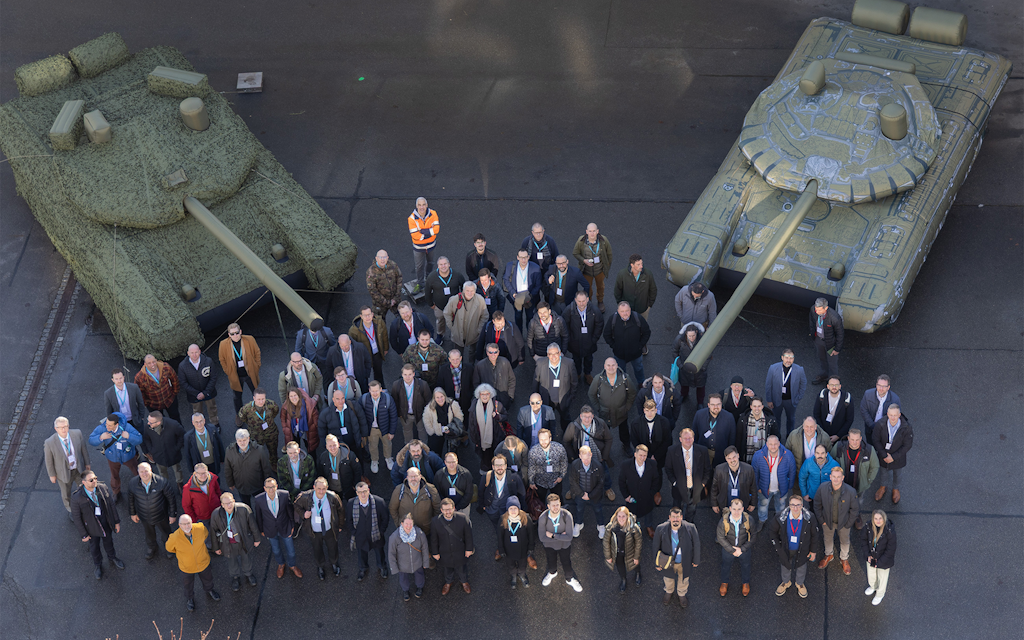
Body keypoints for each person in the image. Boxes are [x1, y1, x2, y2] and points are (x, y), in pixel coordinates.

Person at [72, 471, 124, 579]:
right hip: (91, 528)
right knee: (94, 547)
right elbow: (77, 518)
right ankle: (98, 565)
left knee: (109, 541)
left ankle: (112, 557)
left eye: (95, 478)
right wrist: (84, 534)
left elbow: (111, 505)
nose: (94, 481)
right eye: (91, 480)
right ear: (84, 482)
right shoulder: (77, 497)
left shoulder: (102, 487)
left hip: (105, 522)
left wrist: (116, 522)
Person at [166, 514, 220, 611]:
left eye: (188, 523)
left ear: (192, 522)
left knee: (208, 579)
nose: (186, 526)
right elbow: (169, 548)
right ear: (179, 525)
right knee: (188, 584)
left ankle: (210, 590)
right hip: (187, 567)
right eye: (183, 524)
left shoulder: (200, 528)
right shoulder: (174, 537)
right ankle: (190, 598)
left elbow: (206, 534)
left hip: (203, 562)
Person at [295, 477, 345, 580]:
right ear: (314, 487)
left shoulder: (333, 497)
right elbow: (296, 505)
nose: (321, 491)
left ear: (327, 488)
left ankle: (334, 563)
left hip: (329, 529)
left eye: (324, 488)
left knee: (333, 547)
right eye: (319, 488)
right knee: (317, 549)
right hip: (314, 530)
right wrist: (303, 514)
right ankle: (320, 566)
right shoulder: (305, 497)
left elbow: (341, 511)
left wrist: (340, 525)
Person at [769, 494, 818, 598]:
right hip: (786, 548)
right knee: (785, 564)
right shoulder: (780, 517)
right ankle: (786, 582)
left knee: (801, 566)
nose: (795, 508)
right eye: (793, 505)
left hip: (803, 548)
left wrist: (813, 551)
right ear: (789, 505)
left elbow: (814, 535)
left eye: (798, 505)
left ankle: (799, 583)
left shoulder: (810, 517)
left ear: (802, 505)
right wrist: (778, 548)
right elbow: (772, 532)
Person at [209, 492, 260, 591]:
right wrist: (216, 548)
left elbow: (252, 525)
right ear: (222, 505)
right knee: (232, 562)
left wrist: (257, 538)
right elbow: (213, 532)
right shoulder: (216, 514)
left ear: (234, 501)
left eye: (231, 502)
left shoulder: (244, 509)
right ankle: (235, 577)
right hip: (228, 544)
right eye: (226, 503)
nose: (229, 505)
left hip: (243, 541)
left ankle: (248, 574)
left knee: (246, 558)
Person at [253, 477, 303, 579]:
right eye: (268, 487)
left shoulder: (284, 495)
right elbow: (258, 516)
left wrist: (292, 525)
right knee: (276, 550)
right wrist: (261, 530)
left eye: (273, 487)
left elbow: (290, 510)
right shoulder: (259, 499)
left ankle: (292, 565)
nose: (271, 490)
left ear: (276, 486)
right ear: (264, 488)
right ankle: (281, 564)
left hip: (285, 527)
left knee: (291, 551)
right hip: (270, 529)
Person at [127, 462, 177, 560]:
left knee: (166, 533)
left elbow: (171, 499)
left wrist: (172, 514)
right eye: (141, 472)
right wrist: (132, 513)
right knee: (149, 534)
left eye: (146, 471)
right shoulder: (132, 483)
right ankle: (152, 547)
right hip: (144, 516)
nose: (144, 474)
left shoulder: (162, 482)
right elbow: (130, 499)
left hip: (161, 515)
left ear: (151, 470)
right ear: (138, 472)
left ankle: (169, 548)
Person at [814, 466, 859, 575]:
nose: (836, 479)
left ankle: (844, 558)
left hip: (844, 523)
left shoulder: (851, 491)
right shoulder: (822, 488)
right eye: (834, 476)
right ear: (830, 476)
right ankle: (829, 554)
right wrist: (821, 520)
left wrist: (848, 524)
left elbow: (855, 510)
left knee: (845, 541)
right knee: (827, 538)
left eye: (838, 477)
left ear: (842, 478)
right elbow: (817, 504)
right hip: (827, 521)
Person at [832, 428, 879, 528]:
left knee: (858, 501)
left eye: (857, 440)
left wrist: (868, 480)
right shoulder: (839, 447)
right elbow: (831, 462)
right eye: (852, 439)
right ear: (848, 438)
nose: (855, 442)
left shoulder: (869, 450)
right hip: (842, 484)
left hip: (859, 486)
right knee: (841, 500)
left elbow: (875, 466)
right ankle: (843, 515)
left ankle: (856, 514)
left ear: (861, 438)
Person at [88, 412, 142, 502]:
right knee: (114, 476)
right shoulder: (103, 428)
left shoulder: (127, 427)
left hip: (128, 456)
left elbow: (139, 439)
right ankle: (116, 492)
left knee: (137, 471)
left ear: (116, 424)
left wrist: (129, 436)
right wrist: (101, 437)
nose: (107, 427)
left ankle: (142, 486)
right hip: (112, 458)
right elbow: (91, 439)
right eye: (106, 424)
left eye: (109, 425)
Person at [652, 507, 700, 607]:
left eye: (677, 517)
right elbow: (655, 546)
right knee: (668, 578)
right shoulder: (661, 529)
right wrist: (657, 563)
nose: (675, 519)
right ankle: (669, 591)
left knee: (683, 579)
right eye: (673, 517)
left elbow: (696, 544)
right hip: (668, 561)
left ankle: (682, 593)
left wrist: (696, 560)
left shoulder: (691, 528)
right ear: (669, 517)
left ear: (681, 517)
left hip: (684, 561)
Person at [45, 416, 90, 517]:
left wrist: (87, 463)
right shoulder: (49, 442)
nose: (64, 429)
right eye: (61, 427)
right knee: (66, 494)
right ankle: (71, 511)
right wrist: (52, 475)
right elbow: (49, 461)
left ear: (68, 426)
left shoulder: (77, 433)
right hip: (63, 472)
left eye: (65, 426)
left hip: (78, 469)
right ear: (56, 428)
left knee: (83, 488)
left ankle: (85, 506)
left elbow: (84, 449)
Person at [589, 357, 637, 449]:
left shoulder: (625, 378)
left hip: (621, 413)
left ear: (617, 365)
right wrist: (598, 408)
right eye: (608, 365)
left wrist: (627, 407)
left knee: (624, 432)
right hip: (604, 414)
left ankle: (626, 446)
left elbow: (632, 393)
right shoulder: (598, 379)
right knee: (603, 434)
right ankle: (603, 449)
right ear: (604, 366)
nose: (611, 368)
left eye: (613, 365)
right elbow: (591, 394)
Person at [751, 435, 797, 532]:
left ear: (779, 443)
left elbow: (792, 472)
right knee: (763, 506)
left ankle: (779, 521)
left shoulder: (787, 455)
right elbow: (754, 473)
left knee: (781, 506)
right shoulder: (758, 456)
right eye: (770, 444)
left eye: (775, 444)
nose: (773, 446)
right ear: (766, 444)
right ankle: (762, 520)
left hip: (781, 489)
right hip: (764, 488)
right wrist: (757, 487)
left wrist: (789, 486)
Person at [664, 428, 711, 521]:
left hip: (695, 486)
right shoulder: (672, 451)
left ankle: (689, 525)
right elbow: (668, 468)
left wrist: (703, 483)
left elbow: (707, 469)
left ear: (693, 438)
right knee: (677, 508)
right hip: (679, 486)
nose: (688, 440)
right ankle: (677, 524)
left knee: (692, 509)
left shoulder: (702, 450)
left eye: (690, 438)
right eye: (685, 438)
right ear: (680, 439)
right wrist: (674, 482)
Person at [218, 323, 261, 425]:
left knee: (256, 393)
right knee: (237, 397)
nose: (235, 335)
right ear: (229, 334)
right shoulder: (223, 344)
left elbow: (257, 352)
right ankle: (239, 415)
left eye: (237, 333)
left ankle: (260, 412)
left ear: (240, 331)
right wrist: (228, 371)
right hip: (236, 376)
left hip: (250, 374)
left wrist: (257, 366)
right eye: (232, 334)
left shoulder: (249, 339)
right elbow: (222, 359)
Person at [538, 493, 582, 592]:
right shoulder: (543, 517)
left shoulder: (567, 515)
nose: (555, 507)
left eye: (557, 504)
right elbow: (542, 538)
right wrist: (562, 536)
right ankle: (552, 573)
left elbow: (569, 537)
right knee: (551, 561)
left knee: (566, 562)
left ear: (560, 504)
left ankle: (569, 579)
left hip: (564, 546)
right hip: (549, 546)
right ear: (548, 506)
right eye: (553, 505)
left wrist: (553, 535)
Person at [431, 498, 475, 594]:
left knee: (462, 568)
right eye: (445, 510)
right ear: (441, 510)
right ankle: (448, 582)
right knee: (447, 569)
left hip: (460, 550)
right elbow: (434, 539)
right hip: (444, 552)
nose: (448, 512)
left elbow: (468, 536)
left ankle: (464, 581)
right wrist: (435, 552)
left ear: (454, 508)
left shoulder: (463, 518)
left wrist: (469, 549)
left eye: (450, 509)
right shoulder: (435, 521)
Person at [872, 404, 913, 504]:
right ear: (887, 414)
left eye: (895, 415)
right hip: (883, 456)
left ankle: (896, 489)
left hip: (898, 457)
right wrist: (884, 455)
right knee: (883, 472)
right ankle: (883, 486)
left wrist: (893, 457)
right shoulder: (880, 424)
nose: (893, 418)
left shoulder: (906, 427)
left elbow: (907, 445)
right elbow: (875, 440)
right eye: (891, 415)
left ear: (899, 414)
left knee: (897, 474)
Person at [349, 482, 389, 581]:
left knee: (379, 552)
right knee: (361, 554)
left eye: (365, 491)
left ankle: (382, 567)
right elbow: (349, 520)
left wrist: (381, 531)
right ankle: (363, 568)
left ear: (369, 491)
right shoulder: (351, 503)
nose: (363, 494)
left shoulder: (379, 502)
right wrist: (354, 532)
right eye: (360, 492)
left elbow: (385, 518)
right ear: (356, 493)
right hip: (360, 536)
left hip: (376, 535)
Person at [222, 429, 273, 507]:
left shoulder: (259, 450)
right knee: (246, 507)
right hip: (242, 486)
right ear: (236, 440)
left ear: (249, 438)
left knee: (261, 505)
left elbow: (266, 468)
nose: (242, 443)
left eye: (244, 440)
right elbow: (228, 469)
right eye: (240, 441)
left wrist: (267, 484)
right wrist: (230, 483)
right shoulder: (230, 451)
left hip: (257, 485)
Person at [716, 498, 755, 597]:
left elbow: (753, 535)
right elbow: (720, 538)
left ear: (742, 509)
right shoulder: (723, 521)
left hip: (744, 548)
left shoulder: (749, 520)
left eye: (739, 509)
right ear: (730, 509)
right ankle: (724, 582)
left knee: (746, 566)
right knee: (726, 566)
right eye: (734, 509)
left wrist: (742, 549)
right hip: (728, 549)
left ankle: (745, 582)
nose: (736, 512)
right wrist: (732, 550)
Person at [764, 349, 807, 440]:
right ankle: (777, 436)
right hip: (776, 400)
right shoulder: (773, 368)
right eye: (786, 357)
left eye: (791, 358)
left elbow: (803, 384)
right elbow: (768, 385)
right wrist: (769, 400)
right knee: (776, 419)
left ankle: (789, 437)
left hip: (791, 401)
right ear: (782, 357)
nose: (788, 360)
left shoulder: (799, 369)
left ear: (794, 359)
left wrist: (798, 397)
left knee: (791, 419)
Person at [561, 291, 603, 385]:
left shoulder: (595, 311)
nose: (581, 304)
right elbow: (564, 325)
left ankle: (587, 374)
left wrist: (594, 339)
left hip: (589, 342)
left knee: (589, 359)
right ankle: (578, 373)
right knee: (576, 359)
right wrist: (570, 339)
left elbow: (599, 325)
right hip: (575, 342)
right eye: (579, 301)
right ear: (575, 300)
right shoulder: (569, 311)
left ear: (587, 299)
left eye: (583, 301)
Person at [619, 444, 660, 539]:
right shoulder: (626, 465)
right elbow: (621, 481)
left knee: (648, 511)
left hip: (647, 495)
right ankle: (632, 527)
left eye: (645, 455)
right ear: (635, 454)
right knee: (632, 512)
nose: (642, 458)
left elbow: (656, 480)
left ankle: (648, 526)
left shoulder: (652, 464)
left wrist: (652, 493)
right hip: (632, 495)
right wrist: (626, 496)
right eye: (640, 455)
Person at [604, 301, 651, 382]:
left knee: (639, 368)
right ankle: (623, 384)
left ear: (630, 309)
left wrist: (640, 346)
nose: (625, 313)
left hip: (636, 353)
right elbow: (606, 335)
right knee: (621, 371)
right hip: (620, 354)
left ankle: (641, 383)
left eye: (627, 311)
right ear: (618, 311)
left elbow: (647, 332)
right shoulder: (613, 319)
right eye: (622, 311)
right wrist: (614, 346)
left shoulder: (637, 318)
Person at [388, 513, 431, 601]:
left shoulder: (419, 534)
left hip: (417, 562)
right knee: (403, 578)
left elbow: (425, 549)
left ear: (413, 524)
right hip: (402, 564)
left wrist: (426, 563)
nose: (408, 526)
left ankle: (419, 587)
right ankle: (405, 590)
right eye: (406, 524)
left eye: (410, 524)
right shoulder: (394, 537)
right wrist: (394, 568)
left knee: (419, 575)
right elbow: (391, 553)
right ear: (402, 524)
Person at [534, 343, 577, 428]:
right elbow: (535, 382)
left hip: (563, 400)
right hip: (547, 400)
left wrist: (570, 398)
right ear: (547, 355)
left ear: (560, 353)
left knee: (566, 420)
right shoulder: (540, 363)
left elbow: (574, 382)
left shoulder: (569, 363)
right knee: (547, 421)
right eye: (550, 354)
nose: (553, 356)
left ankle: (567, 437)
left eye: (556, 353)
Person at [359, 380, 399, 474]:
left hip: (385, 428)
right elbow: (360, 416)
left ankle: (388, 458)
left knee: (387, 444)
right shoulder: (364, 399)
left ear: (381, 389)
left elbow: (393, 416)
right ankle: (374, 460)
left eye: (377, 390)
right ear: (369, 390)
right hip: (371, 429)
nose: (375, 393)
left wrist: (392, 432)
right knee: (372, 446)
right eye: (372, 391)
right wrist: (364, 431)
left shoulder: (388, 399)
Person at [444, 281, 488, 363]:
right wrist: (452, 327)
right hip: (458, 333)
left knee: (472, 351)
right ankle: (459, 367)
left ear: (475, 291)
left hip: (473, 333)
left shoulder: (480, 300)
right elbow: (446, 313)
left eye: (472, 291)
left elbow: (485, 316)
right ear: (463, 290)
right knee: (458, 352)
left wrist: (479, 329)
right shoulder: (454, 299)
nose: (470, 293)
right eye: (467, 290)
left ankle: (471, 366)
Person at [572, 222, 612, 312]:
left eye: (594, 231)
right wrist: (583, 260)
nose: (592, 233)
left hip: (600, 270)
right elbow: (575, 253)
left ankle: (600, 301)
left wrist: (607, 268)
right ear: (586, 231)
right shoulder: (581, 241)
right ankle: (588, 302)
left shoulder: (604, 240)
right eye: (590, 231)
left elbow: (609, 254)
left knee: (601, 287)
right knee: (588, 288)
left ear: (597, 231)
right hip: (586, 271)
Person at [389, 467, 441, 536]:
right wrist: (399, 523)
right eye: (411, 476)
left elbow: (437, 508)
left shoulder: (430, 489)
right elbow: (392, 509)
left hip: (426, 530)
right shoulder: (399, 490)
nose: (413, 479)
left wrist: (432, 524)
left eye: (415, 476)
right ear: (407, 477)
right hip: (406, 531)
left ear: (420, 476)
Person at [468, 384, 508, 472]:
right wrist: (475, 440)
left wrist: (498, 416)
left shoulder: (497, 405)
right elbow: (471, 425)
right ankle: (486, 475)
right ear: (479, 395)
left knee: (495, 454)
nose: (485, 396)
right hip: (480, 438)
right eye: (483, 394)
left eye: (487, 394)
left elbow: (505, 416)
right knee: (484, 456)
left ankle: (496, 471)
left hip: (495, 437)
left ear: (491, 394)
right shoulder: (474, 406)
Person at [568, 446, 606, 539]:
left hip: (594, 495)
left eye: (588, 458)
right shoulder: (575, 465)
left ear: (591, 455)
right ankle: (579, 523)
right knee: (579, 509)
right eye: (584, 458)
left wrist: (591, 495)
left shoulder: (598, 466)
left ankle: (601, 525)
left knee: (598, 509)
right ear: (580, 456)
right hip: (580, 494)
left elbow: (601, 483)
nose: (586, 461)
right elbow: (572, 481)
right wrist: (582, 494)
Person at [630, 398, 672, 481]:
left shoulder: (664, 422)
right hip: (643, 454)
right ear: (644, 410)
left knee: (658, 473)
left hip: (659, 455)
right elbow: (635, 440)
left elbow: (667, 441)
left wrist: (656, 456)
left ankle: (657, 491)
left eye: (652, 410)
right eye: (647, 410)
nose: (650, 413)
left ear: (656, 410)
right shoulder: (636, 423)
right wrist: (647, 455)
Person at [178, 344, 220, 427]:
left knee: (212, 409)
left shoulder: (208, 361)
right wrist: (196, 393)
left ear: (200, 352)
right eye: (192, 352)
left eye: (196, 352)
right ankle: (201, 427)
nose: (194, 355)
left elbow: (213, 377)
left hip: (209, 392)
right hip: (194, 396)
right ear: (188, 353)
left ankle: (215, 424)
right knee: (197, 412)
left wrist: (205, 393)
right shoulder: (182, 366)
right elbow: (183, 382)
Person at [425, 256, 465, 343]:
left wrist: (462, 301)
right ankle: (440, 335)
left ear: (449, 264)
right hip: (439, 306)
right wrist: (431, 304)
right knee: (440, 321)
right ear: (438, 266)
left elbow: (464, 288)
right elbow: (427, 292)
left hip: (455, 306)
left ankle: (455, 335)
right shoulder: (432, 277)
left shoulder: (457, 275)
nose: (443, 266)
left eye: (445, 264)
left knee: (455, 321)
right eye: (441, 264)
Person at [499, 497, 537, 588]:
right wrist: (501, 549)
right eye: (510, 508)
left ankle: (522, 575)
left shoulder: (526, 518)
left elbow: (531, 534)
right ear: (507, 509)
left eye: (515, 508)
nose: (513, 511)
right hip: (508, 549)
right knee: (510, 565)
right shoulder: (503, 519)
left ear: (519, 509)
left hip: (522, 549)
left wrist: (531, 547)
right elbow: (499, 536)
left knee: (522, 565)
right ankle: (513, 576)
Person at [603, 506, 643, 593]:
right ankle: (623, 580)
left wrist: (636, 557)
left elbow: (638, 543)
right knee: (620, 568)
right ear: (616, 516)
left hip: (630, 552)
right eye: (619, 516)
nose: (621, 519)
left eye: (623, 516)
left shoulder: (634, 528)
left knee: (635, 565)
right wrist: (608, 556)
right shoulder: (610, 527)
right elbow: (606, 542)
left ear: (627, 517)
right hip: (617, 554)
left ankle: (638, 573)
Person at [502, 249, 542, 333]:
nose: (523, 260)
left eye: (525, 257)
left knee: (530, 317)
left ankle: (530, 336)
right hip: (516, 297)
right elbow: (506, 280)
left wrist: (530, 295)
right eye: (521, 257)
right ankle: (519, 335)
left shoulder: (535, 268)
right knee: (518, 316)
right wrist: (512, 292)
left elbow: (538, 285)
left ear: (528, 257)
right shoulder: (510, 266)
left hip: (529, 297)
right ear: (517, 257)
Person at [236, 390, 278, 471]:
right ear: (254, 398)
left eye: (263, 399)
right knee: (256, 451)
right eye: (258, 399)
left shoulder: (271, 404)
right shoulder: (246, 409)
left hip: (271, 432)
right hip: (256, 435)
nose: (261, 401)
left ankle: (274, 463)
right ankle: (260, 465)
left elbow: (275, 412)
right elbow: (242, 418)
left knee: (273, 449)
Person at [391, 364, 432, 446]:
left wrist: (425, 414)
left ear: (413, 374)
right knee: (407, 432)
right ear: (402, 375)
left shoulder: (423, 385)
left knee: (422, 431)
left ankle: (424, 448)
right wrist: (400, 414)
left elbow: (428, 401)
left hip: (420, 414)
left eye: (410, 374)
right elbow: (395, 401)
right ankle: (409, 449)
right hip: (405, 415)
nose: (407, 377)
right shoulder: (396, 385)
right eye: (405, 374)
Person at [316, 389, 362, 462]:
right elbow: (322, 432)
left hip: (353, 443)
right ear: (333, 399)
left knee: (356, 461)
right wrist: (327, 445)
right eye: (338, 399)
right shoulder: (325, 414)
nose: (341, 401)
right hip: (338, 446)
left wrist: (362, 437)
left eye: (342, 398)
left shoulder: (352, 408)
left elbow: (361, 421)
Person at [141, 411, 185, 485]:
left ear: (158, 423)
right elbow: (146, 438)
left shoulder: (173, 425)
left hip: (173, 454)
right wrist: (151, 449)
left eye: (151, 422)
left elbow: (182, 436)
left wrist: (176, 448)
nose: (148, 423)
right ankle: (165, 485)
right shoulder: (147, 427)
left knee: (177, 469)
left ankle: (179, 483)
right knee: (162, 471)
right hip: (158, 455)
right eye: (148, 420)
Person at [349, 305, 389, 386]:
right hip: (364, 356)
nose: (367, 317)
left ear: (372, 314)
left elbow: (384, 336)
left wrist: (386, 348)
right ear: (361, 316)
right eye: (365, 315)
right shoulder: (354, 330)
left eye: (369, 314)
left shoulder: (379, 322)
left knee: (378, 373)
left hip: (376, 353)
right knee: (365, 375)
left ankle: (381, 388)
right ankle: (367, 392)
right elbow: (353, 347)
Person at [135, 354, 181, 423]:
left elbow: (174, 379)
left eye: (153, 362)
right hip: (154, 404)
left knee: (176, 418)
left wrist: (175, 393)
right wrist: (147, 403)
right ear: (145, 364)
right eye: (149, 363)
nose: (152, 364)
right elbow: (140, 393)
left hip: (170, 400)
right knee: (160, 422)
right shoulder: (140, 377)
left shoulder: (165, 367)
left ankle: (180, 433)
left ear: (156, 360)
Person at [694, 394, 737, 468]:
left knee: (718, 474)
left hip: (721, 453)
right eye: (713, 404)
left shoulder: (729, 417)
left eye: (718, 404)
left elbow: (732, 438)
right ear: (708, 405)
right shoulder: (699, 415)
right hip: (704, 452)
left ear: (721, 404)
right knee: (704, 472)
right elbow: (695, 434)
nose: (715, 407)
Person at [710, 446, 757, 514]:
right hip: (725, 505)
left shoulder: (749, 469)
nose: (732, 460)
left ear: (738, 455)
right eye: (729, 458)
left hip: (742, 506)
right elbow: (714, 488)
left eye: (734, 457)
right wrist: (714, 504)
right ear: (726, 459)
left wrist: (753, 503)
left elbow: (753, 488)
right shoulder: (719, 469)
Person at [672, 323, 709, 406]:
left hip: (699, 369)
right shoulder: (679, 340)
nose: (691, 338)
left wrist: (703, 367)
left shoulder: (703, 339)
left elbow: (708, 354)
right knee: (684, 384)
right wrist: (680, 365)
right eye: (689, 336)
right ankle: (684, 395)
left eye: (693, 335)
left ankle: (700, 402)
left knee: (700, 386)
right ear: (686, 334)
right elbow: (675, 352)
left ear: (697, 332)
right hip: (685, 368)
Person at [864, 510, 896, 605]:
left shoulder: (889, 531)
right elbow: (864, 541)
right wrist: (868, 555)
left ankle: (880, 594)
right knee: (871, 574)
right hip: (872, 557)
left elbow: (891, 550)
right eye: (876, 518)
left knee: (882, 578)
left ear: (884, 518)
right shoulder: (868, 527)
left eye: (880, 518)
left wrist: (880, 562)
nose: (878, 521)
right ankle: (873, 586)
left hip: (884, 560)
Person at [613, 254, 657, 324]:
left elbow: (653, 290)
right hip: (627, 309)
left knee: (642, 325)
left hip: (643, 308)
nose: (641, 266)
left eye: (642, 263)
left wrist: (649, 305)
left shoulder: (648, 274)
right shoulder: (622, 274)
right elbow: (617, 290)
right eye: (638, 264)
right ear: (632, 265)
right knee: (627, 325)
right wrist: (621, 304)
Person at [408, 197, 440, 292]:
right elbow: (415, 235)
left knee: (431, 263)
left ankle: (429, 281)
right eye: (419, 205)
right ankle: (421, 284)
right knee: (419, 267)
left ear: (427, 205)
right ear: (416, 206)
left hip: (431, 246)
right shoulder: (411, 218)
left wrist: (422, 232)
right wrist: (430, 233)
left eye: (423, 204)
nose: (421, 207)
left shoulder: (433, 213)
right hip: (419, 248)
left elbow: (437, 229)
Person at [809, 298, 843, 385]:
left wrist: (837, 349)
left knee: (832, 364)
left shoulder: (835, 318)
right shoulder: (813, 310)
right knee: (822, 359)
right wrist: (813, 335)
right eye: (816, 309)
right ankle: (824, 375)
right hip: (818, 339)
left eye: (819, 310)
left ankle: (833, 383)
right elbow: (812, 322)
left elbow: (840, 334)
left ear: (826, 308)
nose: (816, 311)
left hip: (830, 343)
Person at [317, 434, 360, 501]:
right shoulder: (323, 457)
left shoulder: (349, 456)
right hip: (332, 490)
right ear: (326, 447)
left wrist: (354, 485)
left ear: (338, 444)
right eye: (330, 446)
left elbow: (357, 470)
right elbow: (320, 472)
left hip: (347, 488)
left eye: (334, 445)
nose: (333, 448)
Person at [183, 413, 225, 481]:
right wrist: (191, 469)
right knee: (204, 480)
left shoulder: (212, 429)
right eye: (196, 422)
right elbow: (188, 455)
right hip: (200, 464)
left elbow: (219, 444)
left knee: (215, 478)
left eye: (201, 421)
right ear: (193, 423)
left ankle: (217, 489)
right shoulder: (188, 437)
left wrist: (222, 458)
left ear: (204, 421)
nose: (199, 424)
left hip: (213, 462)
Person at [422, 387, 464, 454]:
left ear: (445, 396)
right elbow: (426, 420)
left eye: (442, 396)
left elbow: (460, 417)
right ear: (434, 398)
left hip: (451, 432)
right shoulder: (429, 408)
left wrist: (452, 428)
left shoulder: (453, 404)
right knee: (435, 453)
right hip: (437, 433)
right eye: (437, 397)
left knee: (452, 452)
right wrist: (432, 431)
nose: (440, 399)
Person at [528, 429, 568, 501]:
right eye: (541, 439)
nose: (543, 442)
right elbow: (532, 468)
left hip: (555, 480)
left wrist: (561, 476)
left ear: (550, 438)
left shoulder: (559, 448)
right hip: (540, 482)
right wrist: (531, 482)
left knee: (558, 500)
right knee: (540, 503)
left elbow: (564, 463)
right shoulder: (533, 451)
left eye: (545, 439)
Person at [474, 342, 516, 408]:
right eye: (490, 352)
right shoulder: (480, 365)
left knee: (504, 417)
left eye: (495, 352)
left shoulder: (505, 362)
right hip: (487, 400)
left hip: (504, 399)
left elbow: (512, 379)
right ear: (487, 353)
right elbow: (476, 383)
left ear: (498, 352)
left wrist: (510, 396)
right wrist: (482, 397)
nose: (493, 354)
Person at [434, 452, 474, 521]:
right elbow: (437, 493)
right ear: (445, 462)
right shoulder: (439, 475)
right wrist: (447, 507)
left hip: (463, 507)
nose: (451, 465)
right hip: (446, 508)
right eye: (449, 462)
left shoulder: (466, 474)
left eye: (453, 462)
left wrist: (456, 508)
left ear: (457, 461)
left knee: (464, 523)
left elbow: (469, 493)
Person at [282, 386, 321, 455]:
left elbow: (316, 418)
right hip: (294, 431)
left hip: (307, 430)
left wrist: (313, 427)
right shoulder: (286, 407)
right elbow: (283, 419)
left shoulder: (308, 405)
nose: (293, 398)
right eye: (291, 396)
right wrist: (285, 429)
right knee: (295, 450)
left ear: (299, 395)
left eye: (295, 395)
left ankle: (313, 463)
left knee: (311, 449)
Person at [366, 249, 403, 320]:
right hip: (380, 303)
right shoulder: (371, 272)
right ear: (376, 258)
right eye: (380, 257)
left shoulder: (393, 265)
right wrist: (387, 303)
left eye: (384, 257)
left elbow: (399, 278)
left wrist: (396, 297)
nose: (382, 259)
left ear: (387, 258)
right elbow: (373, 291)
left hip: (395, 299)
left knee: (403, 318)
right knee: (379, 323)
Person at [437, 348, 473, 420]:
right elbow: (440, 385)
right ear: (449, 359)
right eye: (453, 359)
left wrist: (470, 395)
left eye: (457, 359)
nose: (455, 361)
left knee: (465, 418)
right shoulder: (444, 369)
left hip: (465, 399)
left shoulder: (469, 368)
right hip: (450, 400)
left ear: (461, 358)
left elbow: (472, 384)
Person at [737, 397, 777, 463]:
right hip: (746, 455)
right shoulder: (743, 420)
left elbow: (776, 436)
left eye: (759, 406)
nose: (757, 409)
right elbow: (738, 439)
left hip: (764, 457)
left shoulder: (771, 421)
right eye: (754, 406)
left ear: (762, 406)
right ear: (751, 407)